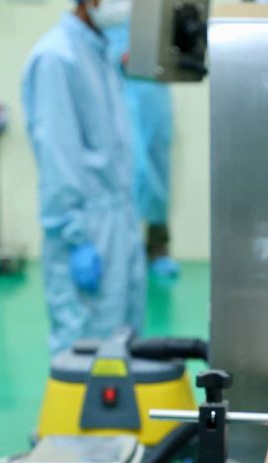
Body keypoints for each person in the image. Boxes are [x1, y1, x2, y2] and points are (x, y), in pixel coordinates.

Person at [21, 0, 146, 355]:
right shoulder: (56, 58)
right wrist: (74, 236)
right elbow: (57, 157)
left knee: (125, 342)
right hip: (86, 229)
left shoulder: (100, 52)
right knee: (85, 348)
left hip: (119, 220)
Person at [104, 24, 180, 281]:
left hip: (151, 81)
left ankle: (157, 245)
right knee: (123, 163)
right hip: (115, 79)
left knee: (157, 162)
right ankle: (122, 247)